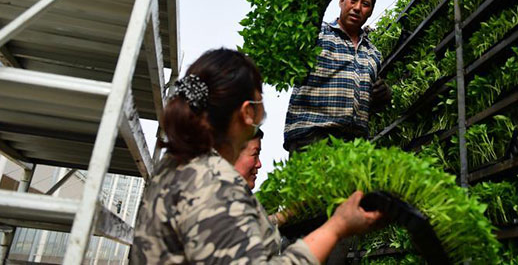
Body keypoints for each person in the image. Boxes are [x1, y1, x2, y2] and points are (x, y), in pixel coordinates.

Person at [131, 48, 382, 264]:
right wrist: (337, 227)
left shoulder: (178, 167)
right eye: (260, 101)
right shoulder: (214, 183)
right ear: (247, 112)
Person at [284, 0, 391, 153]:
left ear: (370, 12)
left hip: (355, 144)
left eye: (365, 4)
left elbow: (369, 102)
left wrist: (383, 95)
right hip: (312, 137)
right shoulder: (317, 34)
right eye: (353, 0)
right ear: (341, 1)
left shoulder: (373, 53)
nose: (357, 7)